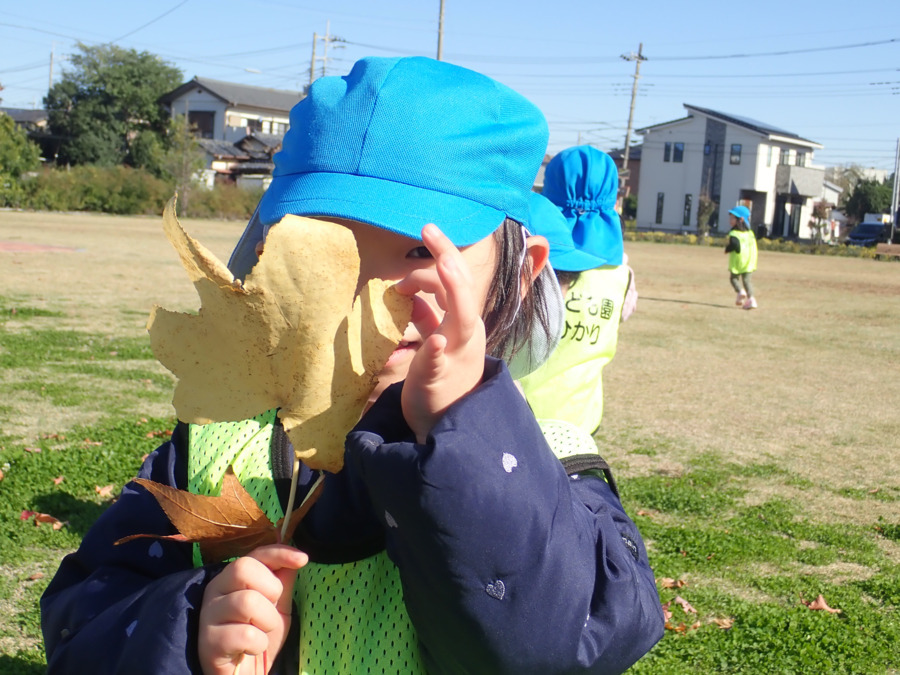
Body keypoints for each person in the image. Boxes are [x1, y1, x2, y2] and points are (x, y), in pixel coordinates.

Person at [41, 56, 664, 675]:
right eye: (323, 249)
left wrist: (466, 434)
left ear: (520, 274)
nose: (371, 293)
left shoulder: (555, 464)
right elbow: (85, 615)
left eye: (420, 251)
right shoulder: (216, 444)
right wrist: (189, 626)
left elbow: (559, 644)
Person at [518, 146, 634, 436]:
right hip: (580, 419)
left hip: (517, 412)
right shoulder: (621, 273)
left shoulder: (527, 260)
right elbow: (622, 315)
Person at [724, 205, 758, 310]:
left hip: (739, 260)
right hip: (750, 260)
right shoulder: (750, 233)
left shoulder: (734, 233)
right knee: (747, 281)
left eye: (732, 218)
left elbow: (735, 245)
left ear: (741, 219)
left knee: (734, 278)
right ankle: (751, 299)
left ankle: (740, 291)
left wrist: (727, 249)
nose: (730, 220)